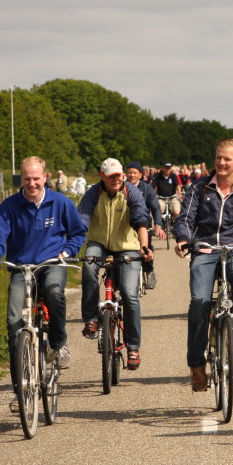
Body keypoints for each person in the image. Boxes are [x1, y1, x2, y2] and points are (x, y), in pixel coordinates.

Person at [0, 156, 87, 406]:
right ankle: (20, 392)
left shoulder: (60, 203)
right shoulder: (9, 206)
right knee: (14, 322)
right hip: (21, 267)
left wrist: (67, 252)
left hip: (52, 263)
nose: (32, 183)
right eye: (27, 179)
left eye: (36, 178)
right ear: (22, 179)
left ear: (45, 177)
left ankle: (58, 344)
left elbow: (77, 233)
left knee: (53, 291)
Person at [175, 139, 233, 391]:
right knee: (200, 302)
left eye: (228, 159)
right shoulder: (198, 189)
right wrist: (183, 239)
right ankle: (196, 365)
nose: (222, 163)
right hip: (204, 249)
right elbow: (185, 219)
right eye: (218, 158)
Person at [77, 158, 153, 371]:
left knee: (129, 293)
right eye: (111, 176)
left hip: (127, 245)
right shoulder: (93, 193)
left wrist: (144, 248)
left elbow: (141, 220)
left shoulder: (131, 192)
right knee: (89, 266)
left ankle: (133, 347)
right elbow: (82, 219)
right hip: (99, 242)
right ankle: (91, 318)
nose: (116, 179)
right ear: (102, 176)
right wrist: (72, 244)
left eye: (119, 175)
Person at [125, 161, 165, 289]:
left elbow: (155, 208)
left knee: (147, 246)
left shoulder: (147, 189)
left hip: (143, 223)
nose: (131, 175)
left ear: (140, 175)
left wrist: (158, 225)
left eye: (134, 173)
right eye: (129, 172)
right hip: (124, 224)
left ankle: (149, 272)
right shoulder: (121, 187)